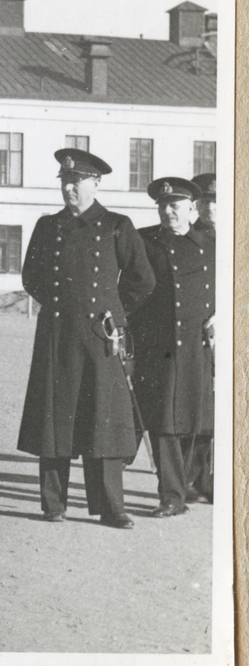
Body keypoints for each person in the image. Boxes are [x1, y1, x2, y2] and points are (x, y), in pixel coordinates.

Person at [17, 148, 155, 528]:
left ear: (95, 184)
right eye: (64, 181)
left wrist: (113, 311)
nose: (69, 188)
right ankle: (53, 504)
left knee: (103, 421)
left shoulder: (117, 225)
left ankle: (110, 507)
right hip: (57, 335)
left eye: (76, 181)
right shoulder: (47, 226)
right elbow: (31, 276)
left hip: (100, 337)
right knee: (54, 420)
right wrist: (61, 304)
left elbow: (143, 280)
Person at [128, 178, 214, 517]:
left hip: (197, 345)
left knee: (193, 420)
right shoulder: (144, 241)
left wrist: (222, 314)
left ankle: (185, 486)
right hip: (157, 345)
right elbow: (130, 289)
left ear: (192, 208)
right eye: (162, 206)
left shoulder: (211, 244)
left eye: (175, 206)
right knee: (163, 420)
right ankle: (171, 497)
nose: (167, 212)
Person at [186, 171, 216, 503]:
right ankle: (194, 478)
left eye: (217, 201)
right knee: (200, 406)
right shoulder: (188, 238)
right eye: (205, 201)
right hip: (198, 334)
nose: (211, 207)